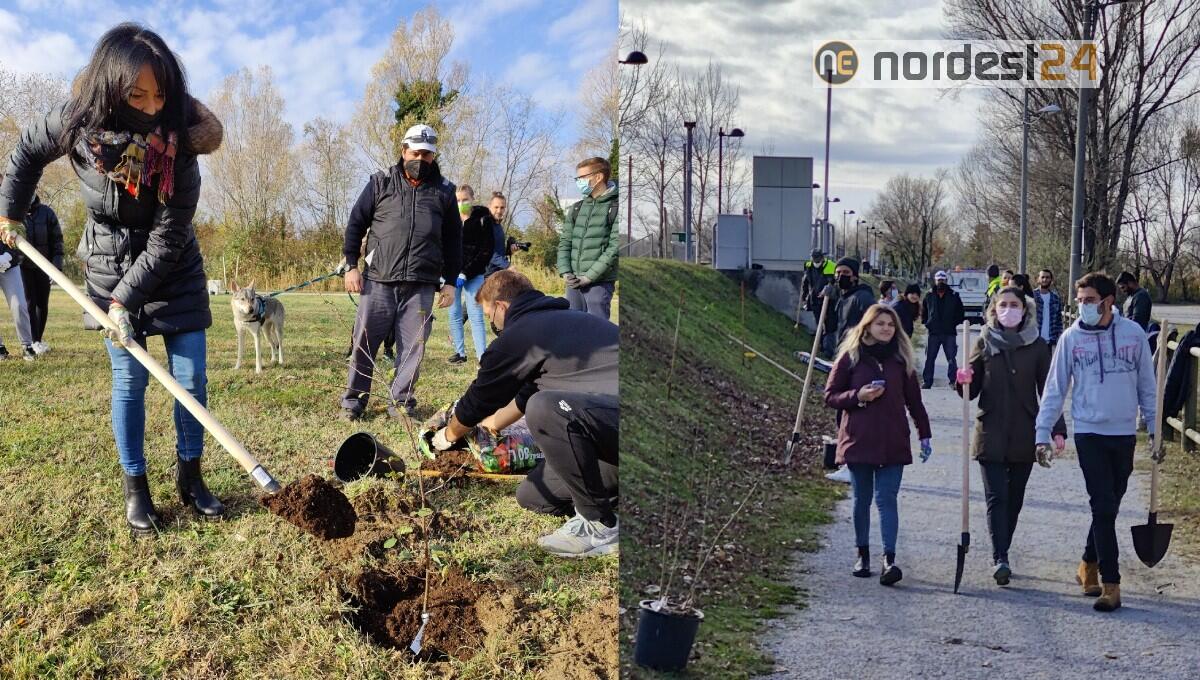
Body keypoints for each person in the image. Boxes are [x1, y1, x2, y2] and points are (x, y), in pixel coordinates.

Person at [0, 23, 227, 534]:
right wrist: (10, 213)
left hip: (173, 271)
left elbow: (169, 238)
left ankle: (191, 479)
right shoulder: (78, 123)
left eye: (160, 95)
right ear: (110, 89)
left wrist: (126, 301)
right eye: (136, 95)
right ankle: (136, 487)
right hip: (107, 267)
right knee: (130, 380)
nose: (150, 108)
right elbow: (26, 153)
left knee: (190, 380)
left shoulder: (180, 147)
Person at [431, 270, 618, 558]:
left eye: (489, 317)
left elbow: (480, 397)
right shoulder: (563, 324)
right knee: (533, 496)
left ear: (501, 307)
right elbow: (526, 392)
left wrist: (448, 435)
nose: (492, 325)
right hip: (607, 432)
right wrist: (491, 425)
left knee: (546, 409)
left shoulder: (521, 334)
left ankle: (600, 523)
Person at [1035, 272, 1158, 612]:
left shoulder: (1133, 335)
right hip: (1089, 431)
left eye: (1089, 300)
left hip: (1123, 433)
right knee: (1102, 506)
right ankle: (1111, 584)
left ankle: (1088, 562)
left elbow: (1147, 386)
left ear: (1108, 302)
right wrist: (1042, 432)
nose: (1082, 306)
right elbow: (1055, 388)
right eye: (1079, 301)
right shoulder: (1072, 339)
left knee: (1109, 505)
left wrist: (1155, 429)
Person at [340, 124, 462, 421]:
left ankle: (402, 403)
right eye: (416, 152)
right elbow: (356, 224)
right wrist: (351, 266)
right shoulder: (380, 183)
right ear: (404, 151)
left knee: (413, 348)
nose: (421, 159)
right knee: (364, 343)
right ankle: (354, 401)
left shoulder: (444, 193)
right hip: (378, 281)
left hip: (422, 285)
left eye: (428, 154)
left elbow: (454, 241)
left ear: (434, 156)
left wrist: (451, 282)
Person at [955, 288, 1066, 586]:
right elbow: (971, 391)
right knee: (996, 497)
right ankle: (1000, 556)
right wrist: (963, 378)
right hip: (989, 431)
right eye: (1002, 305)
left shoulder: (1038, 346)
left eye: (1014, 305)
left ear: (1025, 310)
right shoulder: (983, 341)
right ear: (993, 309)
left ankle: (1002, 546)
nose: (1008, 309)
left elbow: (1049, 392)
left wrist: (1057, 430)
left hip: (1023, 433)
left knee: (1014, 499)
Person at [824, 304, 933, 585]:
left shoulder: (901, 361)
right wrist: (858, 395)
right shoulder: (851, 357)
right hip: (859, 439)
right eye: (880, 323)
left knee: (887, 500)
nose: (886, 328)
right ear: (867, 326)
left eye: (891, 325)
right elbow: (831, 396)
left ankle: (890, 560)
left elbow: (915, 402)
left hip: (893, 441)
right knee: (862, 500)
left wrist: (924, 434)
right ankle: (862, 554)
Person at [559, 157, 619, 319]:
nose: (578, 182)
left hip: (599, 285)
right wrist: (565, 272)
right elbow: (565, 242)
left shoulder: (615, 207)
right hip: (573, 284)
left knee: (598, 336)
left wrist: (589, 277)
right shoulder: (577, 208)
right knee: (573, 333)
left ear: (598, 177)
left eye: (582, 178)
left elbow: (614, 248)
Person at [447, 184, 493, 364]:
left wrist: (466, 272)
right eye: (458, 200)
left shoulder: (483, 219)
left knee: (475, 315)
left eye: (465, 199)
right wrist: (449, 272)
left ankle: (482, 356)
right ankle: (460, 353)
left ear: (472, 198)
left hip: (474, 275)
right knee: (454, 313)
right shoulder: (450, 220)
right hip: (452, 275)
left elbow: (486, 251)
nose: (461, 203)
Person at [18, 194, 63, 355]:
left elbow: (57, 240)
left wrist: (56, 266)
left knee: (42, 304)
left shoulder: (47, 213)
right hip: (23, 266)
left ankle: (38, 340)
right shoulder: (16, 213)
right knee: (28, 303)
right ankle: (32, 340)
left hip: (44, 266)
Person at [921, 271, 965, 389]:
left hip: (949, 332)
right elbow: (924, 311)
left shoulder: (954, 295)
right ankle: (927, 381)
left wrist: (953, 323)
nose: (941, 282)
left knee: (951, 358)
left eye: (943, 280)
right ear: (935, 281)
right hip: (933, 333)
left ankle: (953, 381)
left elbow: (960, 313)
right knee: (930, 358)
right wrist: (927, 323)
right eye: (939, 280)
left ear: (946, 281)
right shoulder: (929, 295)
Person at [0, 238, 35, 361]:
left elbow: (21, 236)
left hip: (10, 264)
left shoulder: (9, 217)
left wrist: (7, 256)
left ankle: (27, 345)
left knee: (18, 305)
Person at [834, 257, 875, 342]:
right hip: (843, 348)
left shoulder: (863, 297)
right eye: (838, 272)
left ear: (855, 277)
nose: (841, 275)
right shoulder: (842, 297)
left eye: (846, 272)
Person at [484, 191, 513, 278]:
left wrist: (510, 250)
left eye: (502, 207)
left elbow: (498, 251)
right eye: (496, 207)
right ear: (489, 207)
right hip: (484, 278)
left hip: (497, 275)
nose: (499, 211)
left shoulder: (497, 225)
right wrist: (508, 266)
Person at [1035, 269, 1063, 349]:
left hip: (1050, 340)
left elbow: (1059, 320)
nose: (1045, 279)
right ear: (1038, 279)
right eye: (1042, 277)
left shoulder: (1055, 298)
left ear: (1051, 279)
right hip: (1034, 338)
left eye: (1047, 277)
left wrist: (1059, 335)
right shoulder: (1032, 296)